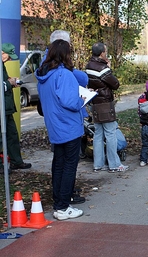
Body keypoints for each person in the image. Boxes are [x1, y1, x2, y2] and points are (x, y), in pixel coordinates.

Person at [35, 39, 84, 220]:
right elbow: (70, 101)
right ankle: (63, 206)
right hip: (68, 125)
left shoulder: (43, 76)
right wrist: (81, 100)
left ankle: (59, 203)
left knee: (58, 164)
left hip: (55, 126)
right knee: (69, 166)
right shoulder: (64, 75)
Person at [86, 42, 128, 173]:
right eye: (105, 51)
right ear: (102, 53)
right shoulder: (102, 69)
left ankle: (98, 164)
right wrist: (108, 67)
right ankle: (114, 164)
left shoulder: (88, 66)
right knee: (110, 133)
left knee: (98, 134)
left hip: (95, 103)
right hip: (105, 103)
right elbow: (115, 84)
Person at [0, 43, 32, 173]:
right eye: (8, 56)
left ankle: (16, 161)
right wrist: (9, 83)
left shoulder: (2, 64)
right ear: (2, 53)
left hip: (7, 107)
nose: (9, 59)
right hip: (2, 107)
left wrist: (11, 82)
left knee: (12, 134)